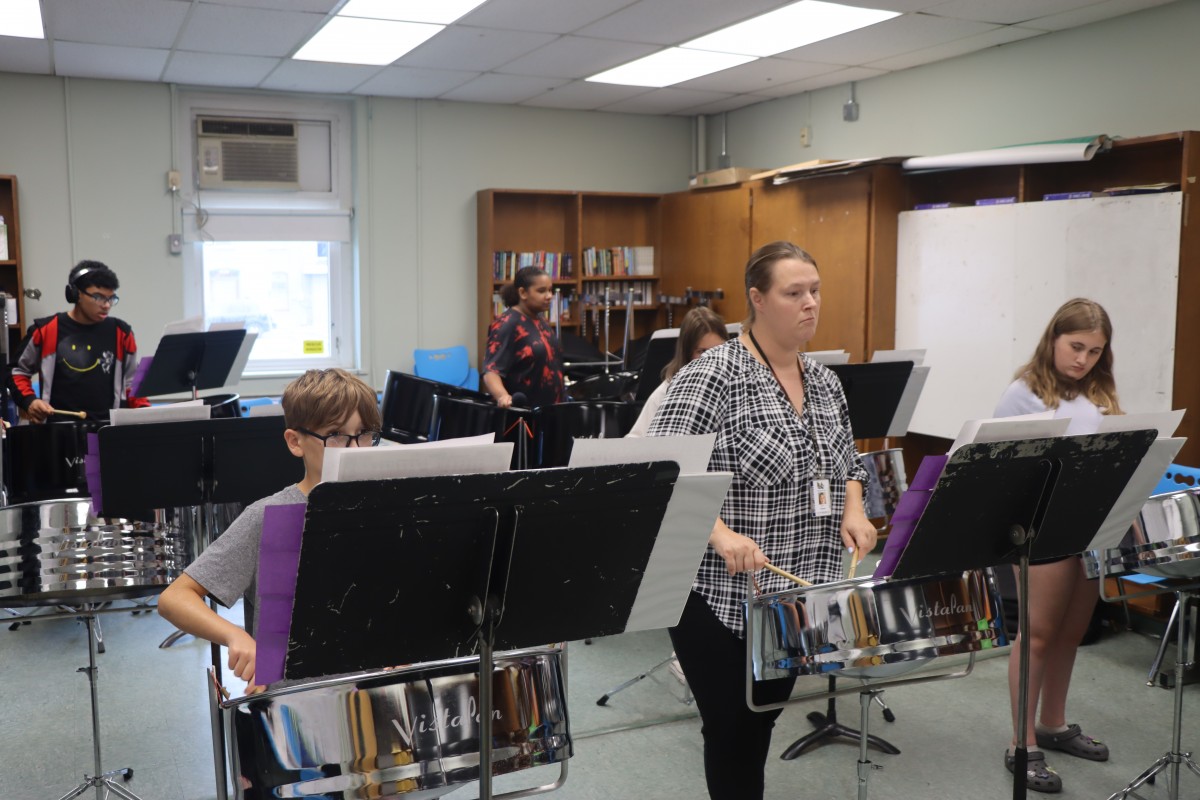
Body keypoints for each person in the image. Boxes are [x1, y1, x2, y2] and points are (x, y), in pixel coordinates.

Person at [646, 241, 876, 800]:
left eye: (815, 291)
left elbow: (847, 462)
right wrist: (721, 535)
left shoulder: (825, 382)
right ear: (757, 299)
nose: (810, 304)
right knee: (731, 732)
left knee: (762, 722)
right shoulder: (714, 374)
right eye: (793, 293)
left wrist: (854, 509)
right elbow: (665, 470)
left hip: (798, 593)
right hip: (718, 593)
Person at [158, 367, 382, 692]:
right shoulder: (266, 516)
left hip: (379, 693)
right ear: (295, 442)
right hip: (297, 700)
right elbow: (174, 598)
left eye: (364, 434)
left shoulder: (388, 507)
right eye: (335, 435)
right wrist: (236, 635)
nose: (355, 450)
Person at [996, 298, 1121, 793]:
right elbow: (1004, 469)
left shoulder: (1099, 391)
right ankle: (1021, 742)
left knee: (1071, 633)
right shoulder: (1023, 393)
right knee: (1038, 636)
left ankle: (1053, 722)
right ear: (1053, 339)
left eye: (1094, 351)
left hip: (1088, 526)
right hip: (1040, 529)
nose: (1083, 360)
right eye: (1075, 347)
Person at [10, 261, 150, 422]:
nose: (106, 305)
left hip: (108, 430)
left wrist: (145, 412)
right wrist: (30, 401)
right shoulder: (46, 330)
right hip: (57, 431)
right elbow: (17, 371)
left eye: (111, 298)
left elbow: (132, 383)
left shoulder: (122, 333)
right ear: (75, 294)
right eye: (98, 297)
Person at [626, 305, 727, 437]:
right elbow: (634, 441)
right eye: (702, 351)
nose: (712, 358)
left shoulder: (736, 388)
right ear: (687, 353)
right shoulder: (665, 393)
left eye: (718, 349)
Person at [482, 266, 564, 409]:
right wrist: (503, 396)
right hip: (524, 417)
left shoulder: (540, 321)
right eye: (541, 291)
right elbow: (491, 372)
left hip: (551, 414)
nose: (549, 296)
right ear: (523, 293)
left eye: (550, 290)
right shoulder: (507, 324)